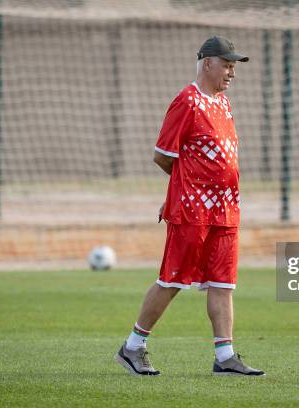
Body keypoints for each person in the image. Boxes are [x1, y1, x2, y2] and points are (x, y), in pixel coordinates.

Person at [114, 36, 265, 376]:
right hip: (193, 209)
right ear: (207, 62)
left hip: (226, 208)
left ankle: (224, 356)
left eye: (234, 66)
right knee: (173, 280)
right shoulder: (187, 101)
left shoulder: (223, 103)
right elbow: (162, 156)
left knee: (223, 283)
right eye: (227, 65)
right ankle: (132, 347)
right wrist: (183, 189)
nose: (232, 73)